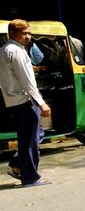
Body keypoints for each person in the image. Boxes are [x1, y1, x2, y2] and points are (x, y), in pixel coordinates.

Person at [1, 20, 52, 186]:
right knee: (29, 140)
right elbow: (27, 81)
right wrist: (41, 103)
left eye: (29, 33)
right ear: (13, 34)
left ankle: (17, 165)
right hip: (24, 100)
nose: (28, 37)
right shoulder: (16, 51)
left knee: (36, 134)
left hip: (13, 99)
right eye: (24, 33)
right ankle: (30, 177)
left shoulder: (5, 50)